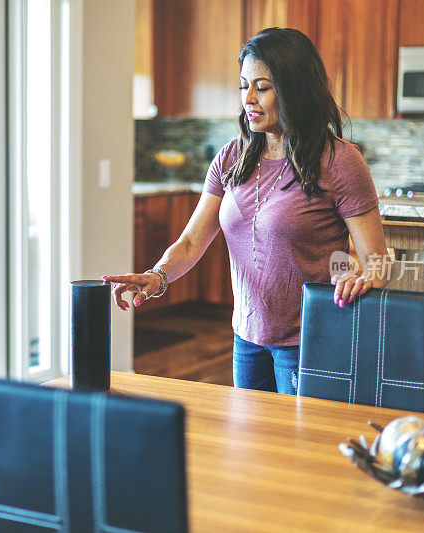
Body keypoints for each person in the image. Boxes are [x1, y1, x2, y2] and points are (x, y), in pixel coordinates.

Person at [103, 28, 389, 394]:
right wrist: (156, 276)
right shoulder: (230, 158)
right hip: (246, 339)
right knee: (252, 446)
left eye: (262, 87)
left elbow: (377, 261)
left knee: (299, 448)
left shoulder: (340, 161)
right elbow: (191, 242)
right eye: (243, 86)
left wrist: (363, 278)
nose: (248, 99)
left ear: (294, 89)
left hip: (308, 341)